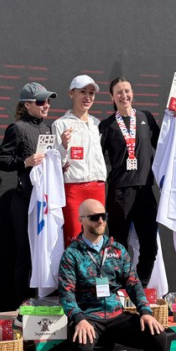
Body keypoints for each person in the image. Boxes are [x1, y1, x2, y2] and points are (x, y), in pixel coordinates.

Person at [58, 198, 168, 351]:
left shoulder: (117, 250)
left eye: (104, 216)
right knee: (81, 346)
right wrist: (79, 318)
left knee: (158, 336)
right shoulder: (71, 254)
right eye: (94, 217)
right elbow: (66, 293)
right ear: (81, 220)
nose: (101, 221)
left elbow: (133, 283)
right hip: (89, 318)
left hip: (117, 315)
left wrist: (145, 311)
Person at [99, 76, 176, 286]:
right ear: (112, 97)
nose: (124, 95)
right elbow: (96, 159)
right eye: (119, 92)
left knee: (150, 246)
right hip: (119, 194)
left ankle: (140, 287)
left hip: (145, 190)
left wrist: (174, 119)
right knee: (118, 247)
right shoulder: (106, 126)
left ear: (132, 93)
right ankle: (119, 289)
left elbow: (164, 143)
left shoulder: (146, 118)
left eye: (127, 91)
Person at [0, 82, 57, 304]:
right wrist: (25, 162)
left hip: (44, 202)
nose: (46, 105)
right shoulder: (17, 128)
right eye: (41, 101)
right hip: (24, 200)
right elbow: (0, 161)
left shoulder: (48, 129)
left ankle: (45, 299)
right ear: (27, 104)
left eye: (48, 101)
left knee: (46, 252)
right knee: (26, 253)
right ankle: (24, 303)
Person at [52, 75, 106, 244]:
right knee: (74, 236)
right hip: (73, 189)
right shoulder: (60, 124)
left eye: (91, 93)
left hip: (98, 188)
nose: (87, 97)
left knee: (97, 236)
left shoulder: (97, 124)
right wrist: (63, 146)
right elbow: (55, 164)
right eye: (83, 92)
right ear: (71, 93)